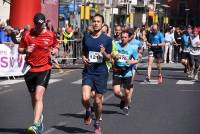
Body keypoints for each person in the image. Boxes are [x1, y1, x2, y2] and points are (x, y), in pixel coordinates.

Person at [18, 13, 59, 134]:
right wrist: (26, 50)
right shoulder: (27, 35)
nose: (40, 27)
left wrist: (55, 51)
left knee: (38, 97)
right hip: (30, 69)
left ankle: (35, 124)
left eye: (41, 24)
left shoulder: (50, 34)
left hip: (44, 68)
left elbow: (56, 46)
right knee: (33, 98)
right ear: (34, 23)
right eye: (37, 24)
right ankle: (39, 118)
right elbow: (20, 49)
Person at [81, 14, 112, 134]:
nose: (96, 23)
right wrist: (83, 57)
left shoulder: (107, 39)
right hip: (88, 71)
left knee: (98, 101)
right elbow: (84, 51)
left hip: (101, 73)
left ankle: (97, 122)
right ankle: (88, 109)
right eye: (94, 21)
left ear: (102, 24)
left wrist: (104, 53)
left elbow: (109, 58)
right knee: (85, 98)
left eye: (98, 21)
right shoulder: (86, 37)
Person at [112, 30, 138, 115]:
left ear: (128, 38)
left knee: (127, 92)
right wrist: (113, 58)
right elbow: (112, 55)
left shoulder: (132, 48)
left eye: (125, 37)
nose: (123, 39)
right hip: (117, 70)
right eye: (122, 37)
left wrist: (131, 62)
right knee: (116, 92)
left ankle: (126, 106)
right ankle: (123, 99)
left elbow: (137, 59)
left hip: (127, 72)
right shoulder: (116, 46)